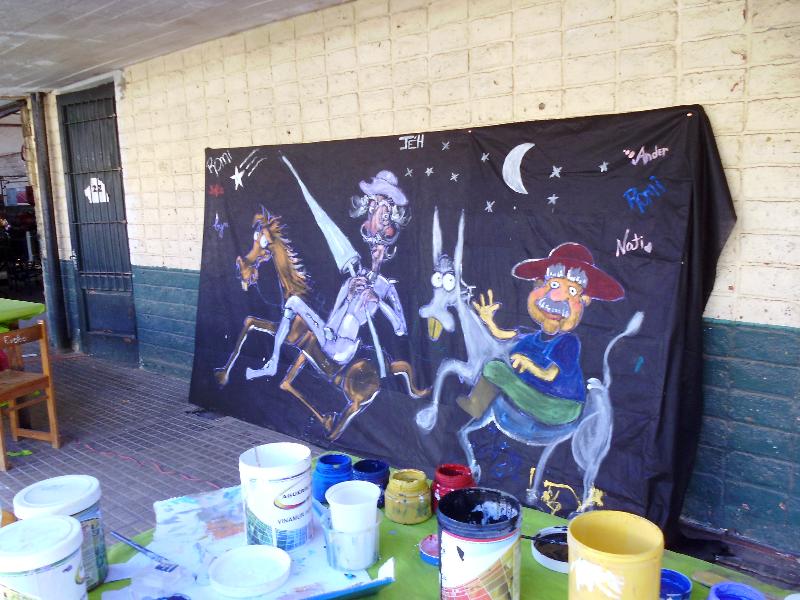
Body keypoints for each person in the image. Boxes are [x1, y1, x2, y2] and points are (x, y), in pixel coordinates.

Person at [246, 170, 409, 379]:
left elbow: (400, 329)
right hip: (330, 340)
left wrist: (379, 301)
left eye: (381, 248)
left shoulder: (386, 287)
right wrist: (348, 296)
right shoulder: (355, 280)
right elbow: (332, 324)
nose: (377, 251)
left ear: (388, 251)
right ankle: (273, 363)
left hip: (344, 349)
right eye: (374, 247)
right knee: (293, 301)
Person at [460, 243, 624, 425]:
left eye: (571, 291)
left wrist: (528, 364)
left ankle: (475, 406)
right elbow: (503, 335)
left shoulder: (568, 342)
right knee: (494, 366)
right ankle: (476, 405)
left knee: (495, 369)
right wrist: (488, 321)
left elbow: (549, 375)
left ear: (584, 300)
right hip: (536, 394)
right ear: (538, 285)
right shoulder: (533, 337)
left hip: (560, 406)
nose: (557, 298)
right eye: (553, 285)